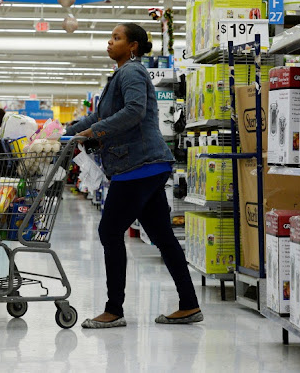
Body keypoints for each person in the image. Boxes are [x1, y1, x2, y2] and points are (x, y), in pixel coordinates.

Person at [65, 23, 202, 329]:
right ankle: (189, 305)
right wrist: (66, 134)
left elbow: (135, 111)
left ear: (133, 46)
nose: (109, 42)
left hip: (137, 166)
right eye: (110, 37)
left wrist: (93, 132)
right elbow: (98, 116)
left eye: (116, 38)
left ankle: (114, 310)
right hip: (144, 165)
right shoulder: (121, 75)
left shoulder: (132, 72)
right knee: (163, 237)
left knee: (109, 232)